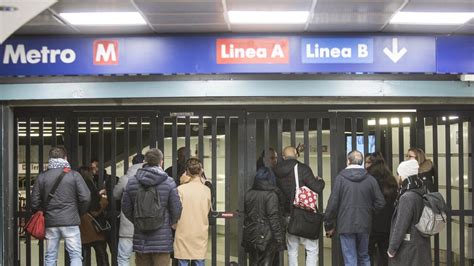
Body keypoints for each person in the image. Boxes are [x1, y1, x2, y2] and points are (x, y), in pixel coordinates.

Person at [31, 146, 91, 266]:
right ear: (65, 158)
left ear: (50, 159)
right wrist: (78, 212)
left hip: (51, 222)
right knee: (75, 255)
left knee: (51, 256)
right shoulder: (74, 175)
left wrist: (42, 211)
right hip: (71, 221)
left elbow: (34, 201)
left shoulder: (42, 176)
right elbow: (86, 197)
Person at [122, 148, 182, 266]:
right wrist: (168, 222)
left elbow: (126, 208)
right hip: (162, 239)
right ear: (161, 162)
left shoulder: (132, 182)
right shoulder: (168, 182)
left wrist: (137, 220)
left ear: (145, 161)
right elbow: (176, 208)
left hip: (141, 238)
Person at [324, 150, 385, 266]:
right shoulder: (370, 179)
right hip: (365, 223)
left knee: (350, 258)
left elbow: (332, 204)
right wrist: (368, 212)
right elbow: (380, 202)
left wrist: (328, 225)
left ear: (348, 161)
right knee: (364, 256)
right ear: (361, 162)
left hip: (345, 224)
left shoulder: (340, 179)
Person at [273, 146, 325, 266]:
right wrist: (320, 181)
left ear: (283, 156)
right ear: (296, 154)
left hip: (287, 215)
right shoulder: (302, 169)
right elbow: (317, 188)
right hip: (304, 215)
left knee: (292, 250)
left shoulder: (275, 170)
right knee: (311, 249)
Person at [388, 160, 431, 265]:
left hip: (408, 249)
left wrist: (392, 249)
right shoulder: (422, 191)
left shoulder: (407, 197)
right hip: (421, 245)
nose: (398, 178)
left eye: (399, 174)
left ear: (403, 176)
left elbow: (401, 225)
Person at [242, 167, 285, 266]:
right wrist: (279, 238)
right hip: (266, 236)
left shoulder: (249, 193)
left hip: (251, 233)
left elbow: (247, 215)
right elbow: (273, 218)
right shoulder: (271, 195)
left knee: (253, 262)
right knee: (266, 262)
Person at [173, 158, 212, 266]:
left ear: (186, 172)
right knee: (199, 260)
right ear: (201, 171)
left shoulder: (180, 189)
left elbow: (176, 210)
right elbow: (207, 209)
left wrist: (181, 182)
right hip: (200, 230)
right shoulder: (206, 190)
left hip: (183, 230)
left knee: (182, 260)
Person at [365, 152, 398, 266]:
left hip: (371, 222)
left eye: (367, 162)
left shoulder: (368, 179)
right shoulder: (391, 179)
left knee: (367, 253)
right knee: (385, 255)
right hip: (388, 223)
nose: (365, 165)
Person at [113, 153, 145, 266]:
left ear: (133, 163)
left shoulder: (125, 179)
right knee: (143, 258)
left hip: (127, 226)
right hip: (145, 226)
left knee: (123, 258)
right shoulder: (150, 179)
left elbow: (115, 195)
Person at [78, 166, 109, 266]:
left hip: (82, 224)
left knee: (84, 253)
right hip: (94, 224)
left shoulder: (77, 186)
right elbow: (95, 206)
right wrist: (103, 200)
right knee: (101, 253)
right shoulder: (89, 184)